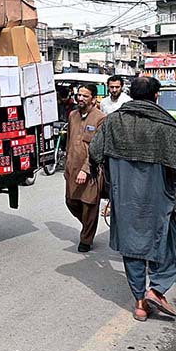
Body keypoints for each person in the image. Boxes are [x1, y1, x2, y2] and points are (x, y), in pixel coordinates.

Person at [90, 76, 176, 322]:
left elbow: (94, 152)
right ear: (156, 96)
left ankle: (139, 304)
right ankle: (156, 289)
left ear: (132, 94)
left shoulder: (113, 121)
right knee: (162, 241)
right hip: (156, 195)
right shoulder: (166, 125)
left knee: (132, 246)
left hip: (123, 197)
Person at [64, 84, 106, 252]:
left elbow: (99, 147)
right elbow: (68, 142)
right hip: (72, 167)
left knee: (89, 204)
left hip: (92, 169)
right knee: (71, 201)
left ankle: (86, 239)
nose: (80, 98)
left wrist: (86, 169)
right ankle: (88, 226)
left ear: (94, 99)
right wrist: (67, 165)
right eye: (79, 95)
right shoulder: (72, 115)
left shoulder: (101, 118)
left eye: (85, 96)